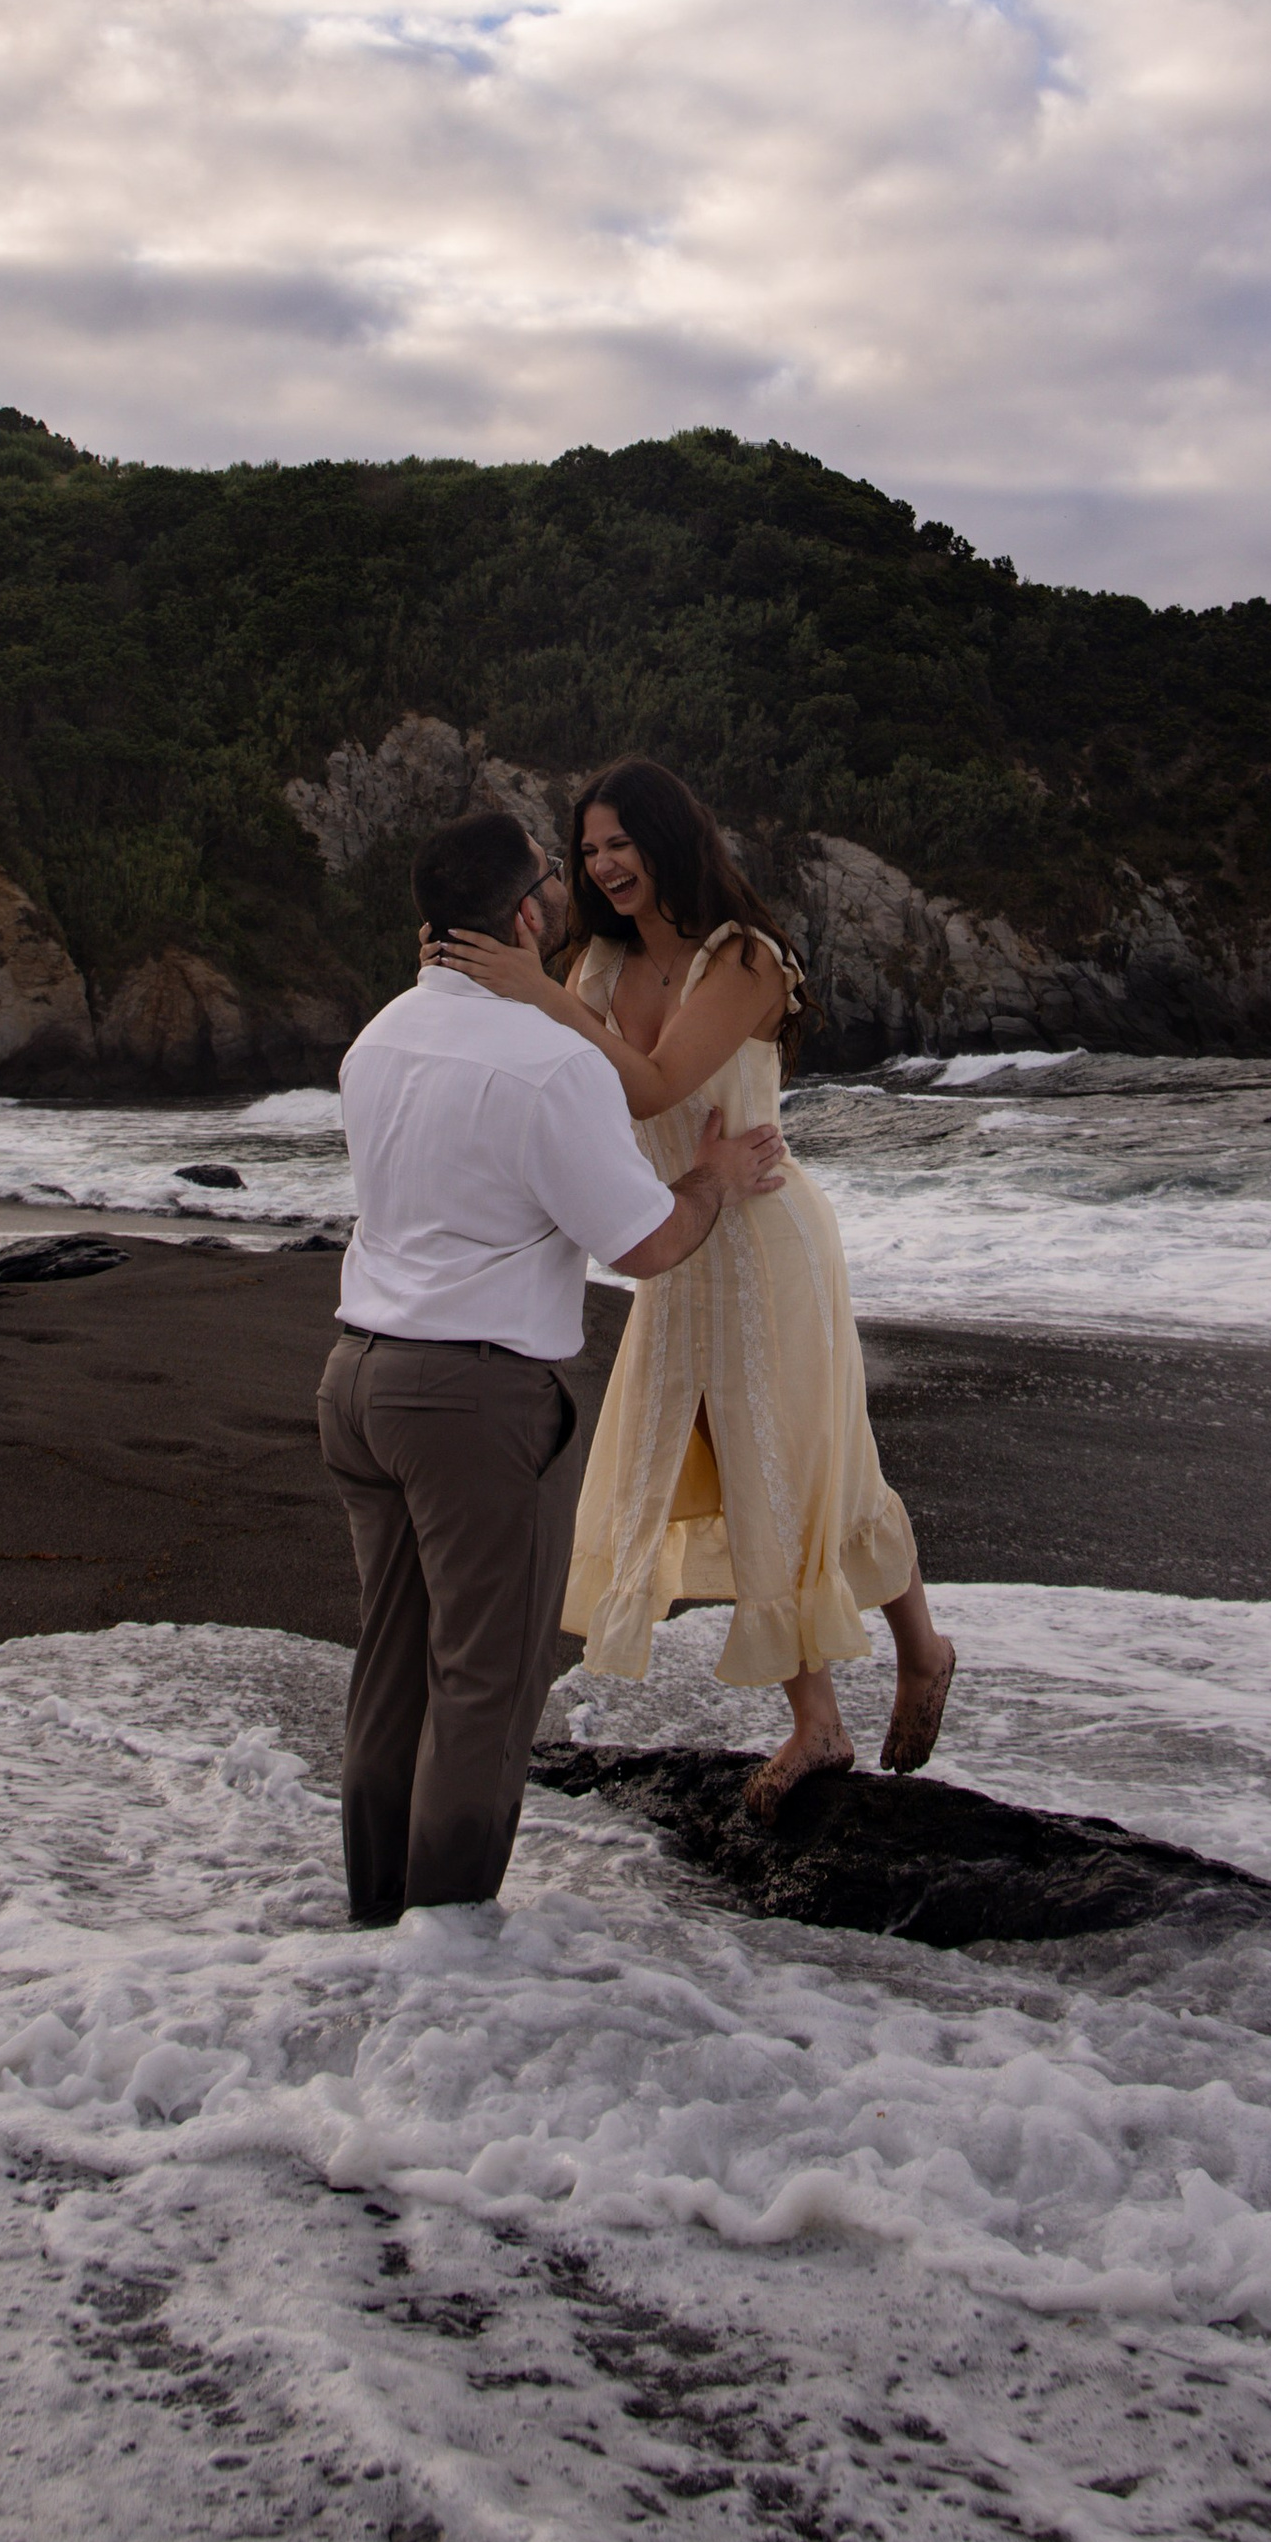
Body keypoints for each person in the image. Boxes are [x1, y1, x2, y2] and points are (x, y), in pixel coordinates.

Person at [430, 755, 955, 1821]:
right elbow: (543, 1072)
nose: (602, 866)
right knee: (735, 1468)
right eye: (586, 851)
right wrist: (461, 977)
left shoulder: (747, 958)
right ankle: (820, 1724)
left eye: (619, 843)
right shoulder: (591, 971)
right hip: (676, 1238)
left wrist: (537, 991)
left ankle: (922, 1653)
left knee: (809, 1461)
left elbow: (663, 1079)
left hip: (765, 1241)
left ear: (670, 840)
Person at [319, 804, 790, 1927]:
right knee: (485, 1683)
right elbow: (648, 1244)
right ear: (526, 915)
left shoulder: (375, 1037)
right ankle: (444, 1939)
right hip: (471, 1401)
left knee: (390, 1668)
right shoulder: (544, 1063)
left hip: (355, 1381)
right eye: (552, 880)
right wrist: (715, 1176)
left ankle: (371, 1918)